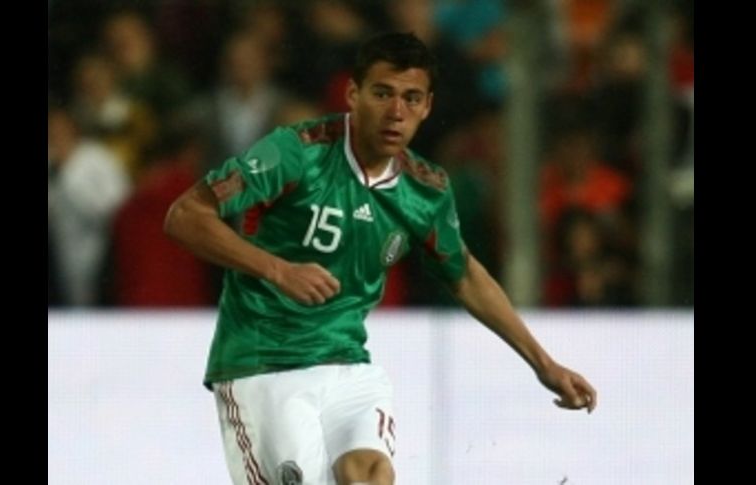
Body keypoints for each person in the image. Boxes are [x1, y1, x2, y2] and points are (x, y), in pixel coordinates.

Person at [164, 32, 597, 485]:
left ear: (427, 106)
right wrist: (276, 269)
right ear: (354, 94)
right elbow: (185, 216)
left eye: (411, 98)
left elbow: (464, 274)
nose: (396, 112)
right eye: (383, 93)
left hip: (347, 361)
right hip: (262, 363)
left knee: (370, 474)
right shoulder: (296, 152)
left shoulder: (424, 191)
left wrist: (543, 364)